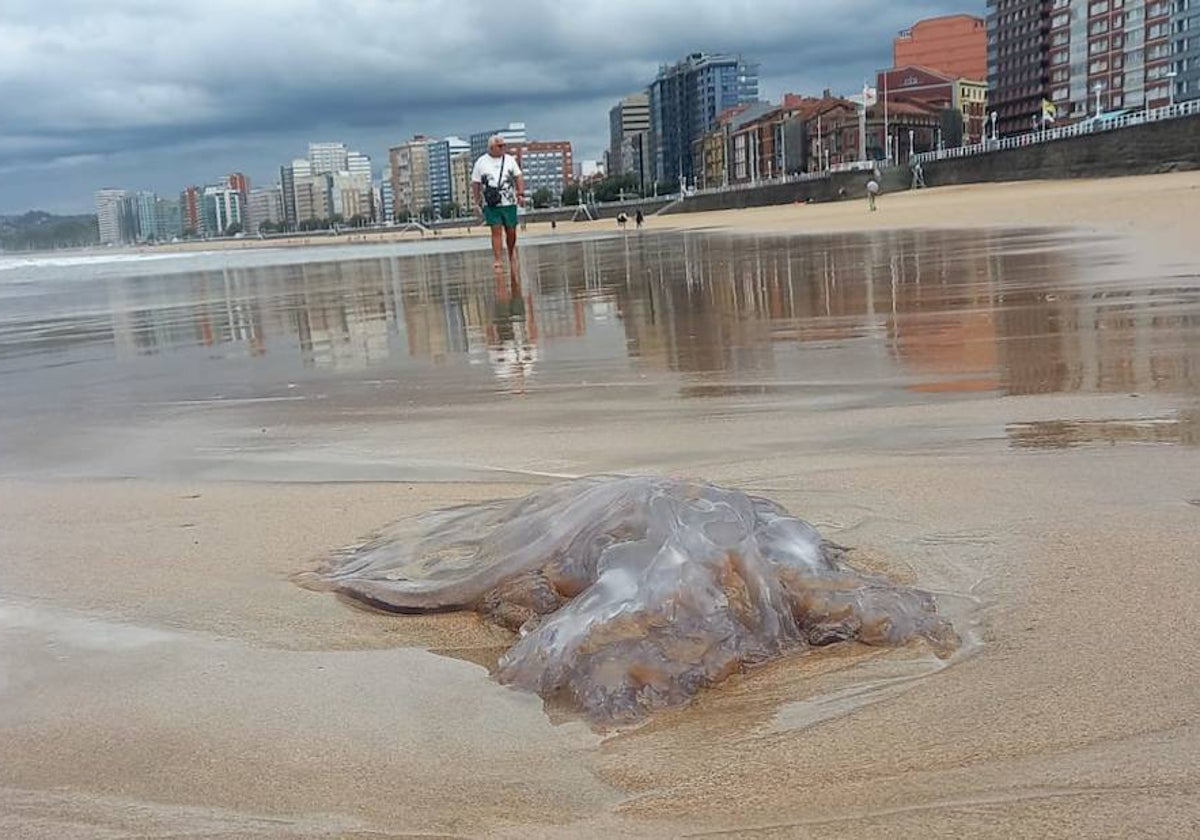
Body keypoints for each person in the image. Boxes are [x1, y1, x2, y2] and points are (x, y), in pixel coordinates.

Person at [471, 135, 526, 269]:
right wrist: (476, 201)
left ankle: (512, 253)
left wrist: (520, 194)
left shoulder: (509, 160)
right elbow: (475, 182)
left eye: (504, 145)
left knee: (511, 230)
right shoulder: (481, 162)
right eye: (500, 146)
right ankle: (498, 259)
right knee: (496, 231)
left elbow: (518, 176)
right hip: (491, 203)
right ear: (491, 148)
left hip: (509, 202)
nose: (503, 148)